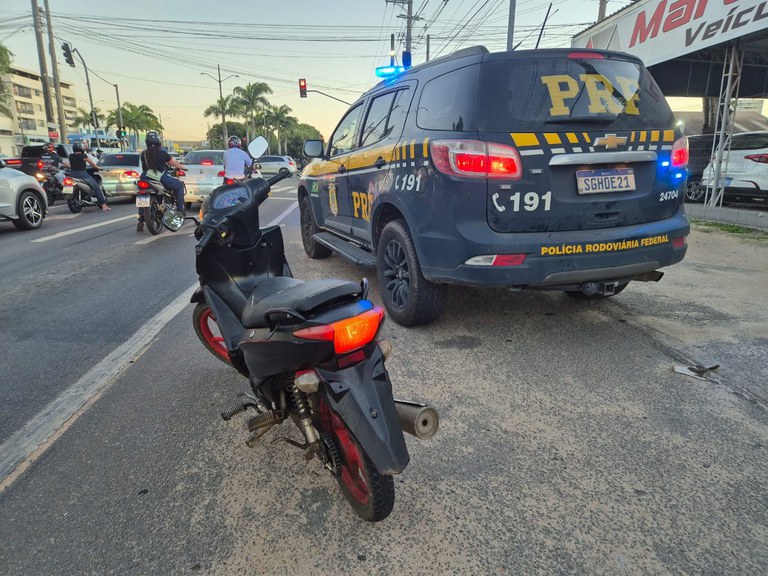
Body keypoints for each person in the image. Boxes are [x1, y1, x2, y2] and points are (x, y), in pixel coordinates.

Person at [137, 131, 187, 232]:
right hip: (160, 177)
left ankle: (140, 220)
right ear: (159, 142)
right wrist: (184, 168)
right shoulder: (163, 153)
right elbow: (174, 164)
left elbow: (144, 168)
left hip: (145, 177)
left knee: (142, 195)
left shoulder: (143, 154)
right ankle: (180, 211)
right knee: (179, 186)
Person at [69, 140, 110, 211]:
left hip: (72, 174)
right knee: (97, 188)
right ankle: (104, 205)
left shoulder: (70, 156)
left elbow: (71, 165)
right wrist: (98, 168)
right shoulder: (83, 156)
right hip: (82, 175)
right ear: (81, 148)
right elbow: (92, 164)